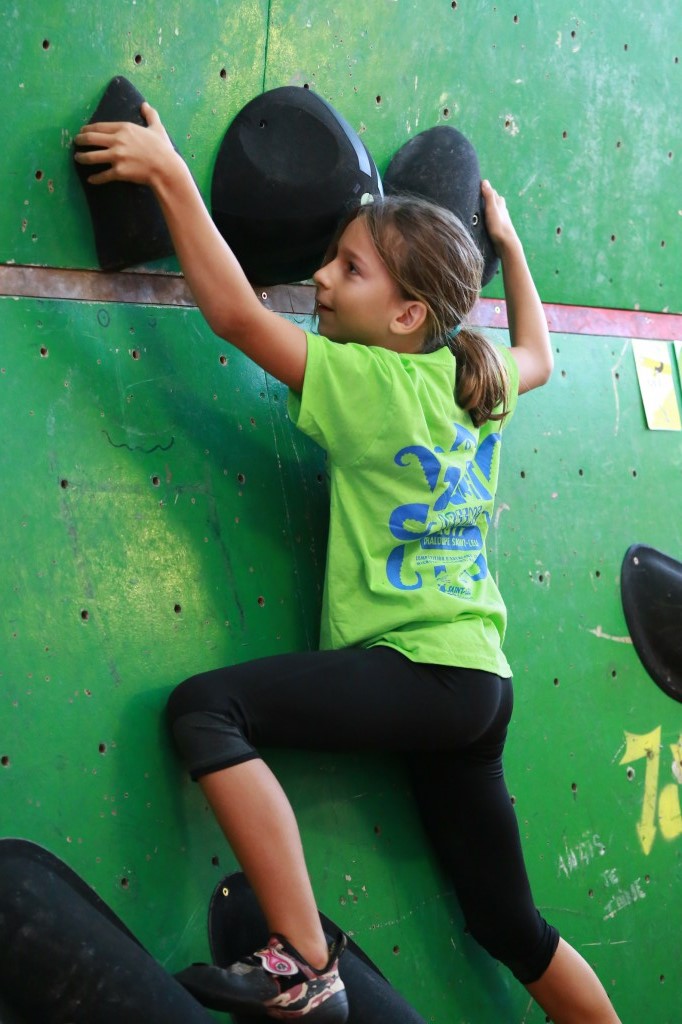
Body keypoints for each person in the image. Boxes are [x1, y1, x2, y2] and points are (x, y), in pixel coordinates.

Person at [74, 105, 622, 1024]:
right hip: (478, 685)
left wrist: (170, 175)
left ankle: (305, 962)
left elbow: (236, 315)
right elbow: (539, 354)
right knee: (510, 926)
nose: (322, 279)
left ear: (408, 314)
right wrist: (512, 245)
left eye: (349, 269)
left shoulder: (373, 383)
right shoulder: (475, 380)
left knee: (208, 709)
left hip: (423, 671)